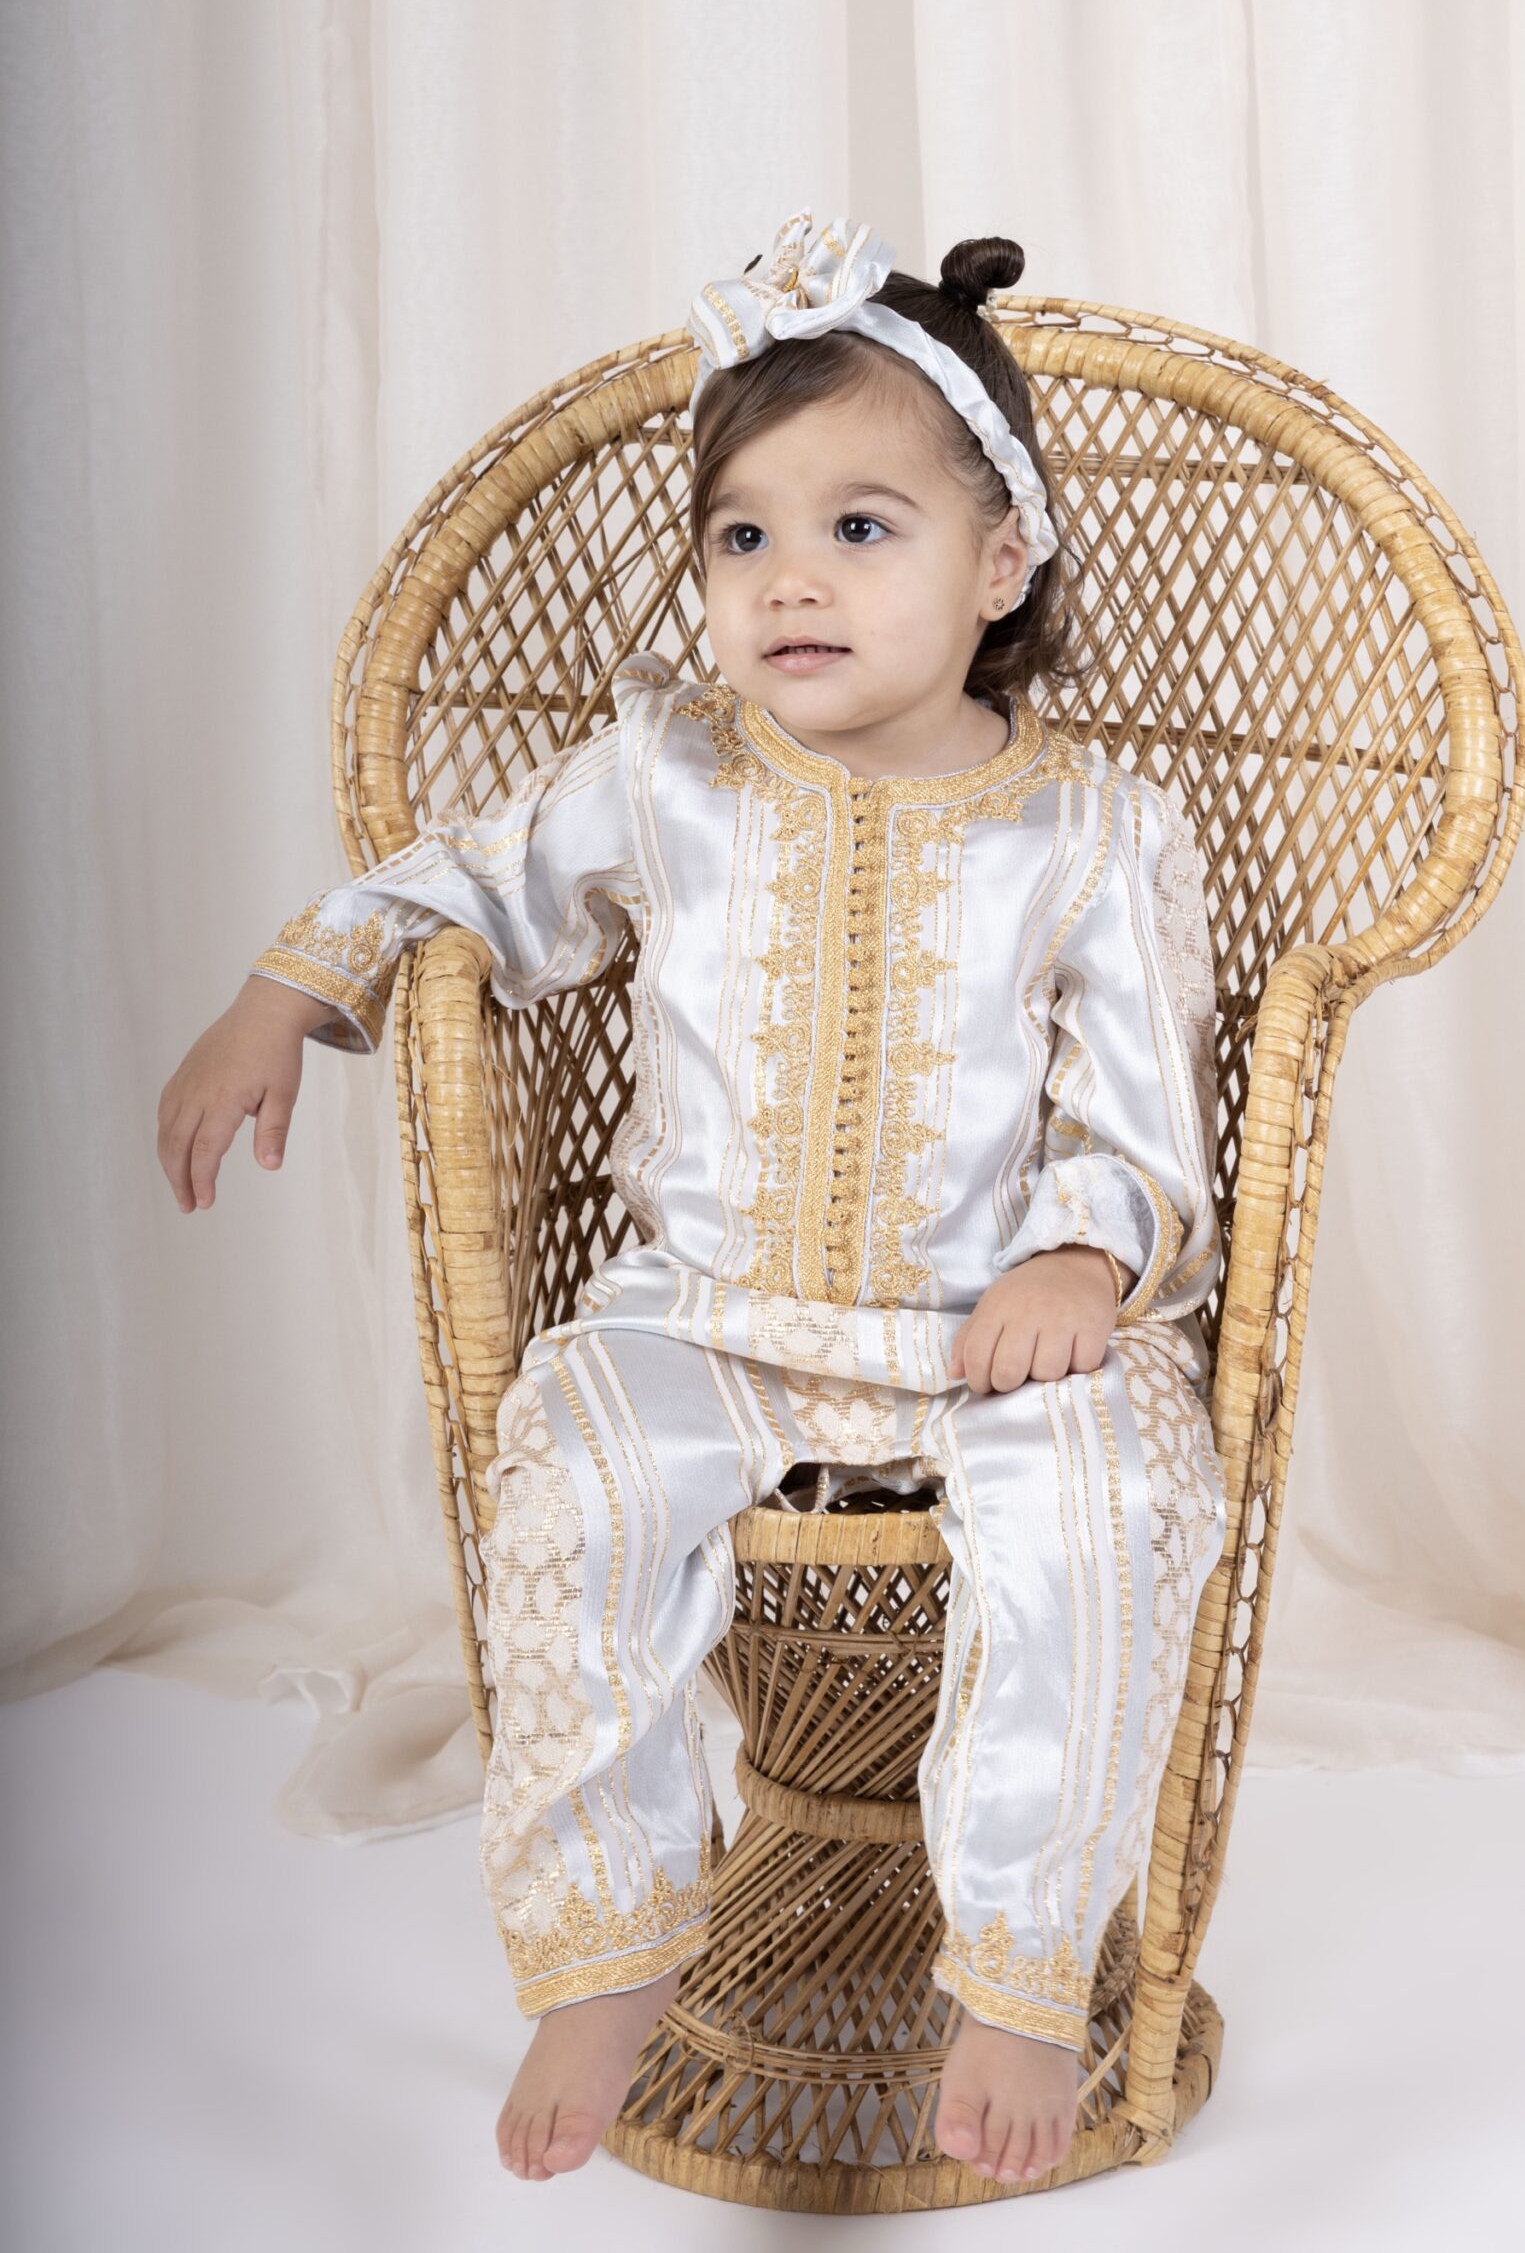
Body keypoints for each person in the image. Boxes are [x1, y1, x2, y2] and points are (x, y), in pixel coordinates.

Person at [157, 209, 1228, 2192]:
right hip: (707, 1312)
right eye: (741, 535)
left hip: (988, 1332)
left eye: (859, 527)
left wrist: (1087, 1252)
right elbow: (471, 875)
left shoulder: (1087, 832)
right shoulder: (669, 773)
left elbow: (1146, 1106)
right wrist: (285, 992)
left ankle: (1016, 1963)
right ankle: (614, 1936)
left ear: (1000, 562)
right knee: (570, 1469)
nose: (787, 578)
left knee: (1115, 1496)